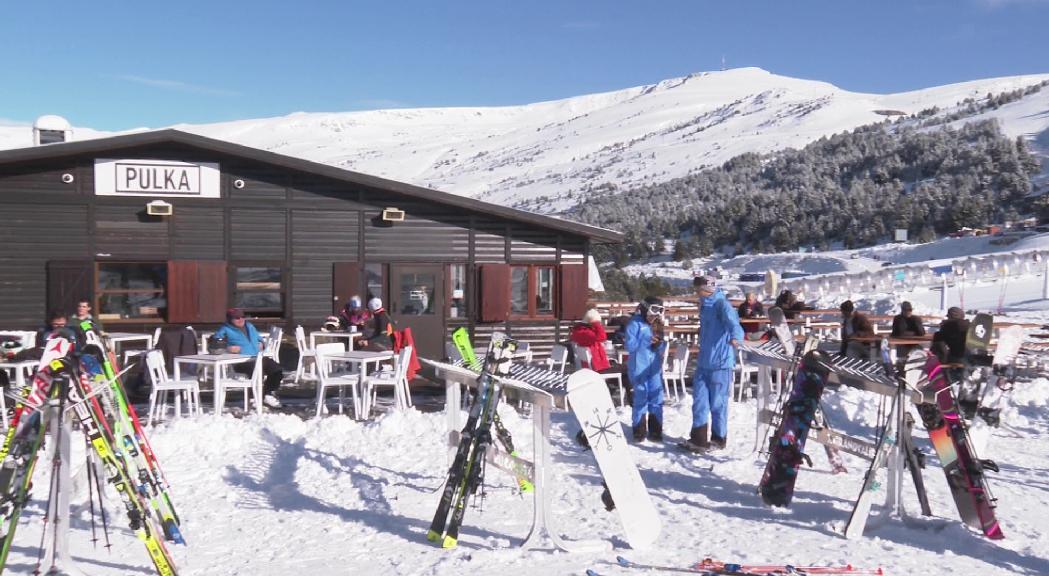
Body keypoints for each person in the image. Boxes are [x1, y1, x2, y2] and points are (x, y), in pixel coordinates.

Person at [681, 276, 744, 453]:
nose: (696, 292)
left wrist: (736, 338)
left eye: (697, 289)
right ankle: (698, 439)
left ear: (706, 289)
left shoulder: (721, 304)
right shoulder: (704, 305)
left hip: (721, 362)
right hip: (704, 361)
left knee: (718, 403)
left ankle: (719, 438)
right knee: (699, 401)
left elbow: (735, 325)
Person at [212, 308, 284, 408]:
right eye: (237, 318)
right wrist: (228, 348)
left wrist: (262, 344)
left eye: (243, 317)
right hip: (241, 361)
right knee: (258, 372)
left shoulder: (250, 326)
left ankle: (267, 394)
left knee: (277, 370)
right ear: (230, 319)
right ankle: (253, 398)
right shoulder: (225, 329)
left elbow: (260, 339)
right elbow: (214, 345)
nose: (241, 319)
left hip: (256, 357)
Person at [624, 296, 667, 442]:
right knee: (641, 398)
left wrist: (659, 344)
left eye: (659, 311)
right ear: (644, 308)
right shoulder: (634, 324)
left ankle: (656, 430)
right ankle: (639, 430)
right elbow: (629, 346)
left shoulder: (658, 324)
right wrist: (645, 341)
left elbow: (661, 345)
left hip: (653, 366)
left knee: (656, 398)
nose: (655, 315)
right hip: (638, 366)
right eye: (653, 310)